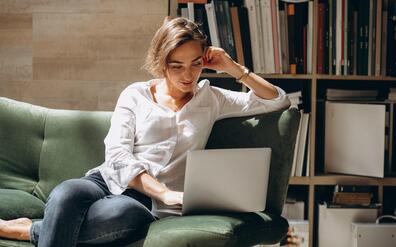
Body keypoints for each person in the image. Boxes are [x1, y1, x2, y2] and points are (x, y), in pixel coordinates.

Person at [0, 16, 290, 246]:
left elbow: (278, 100)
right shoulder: (136, 94)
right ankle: (44, 227)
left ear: (205, 61)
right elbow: (117, 152)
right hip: (108, 180)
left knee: (118, 216)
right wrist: (164, 192)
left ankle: (32, 231)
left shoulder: (213, 98)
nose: (188, 75)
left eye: (196, 64)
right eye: (176, 66)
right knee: (65, 194)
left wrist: (232, 67)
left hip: (142, 203)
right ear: (161, 63)